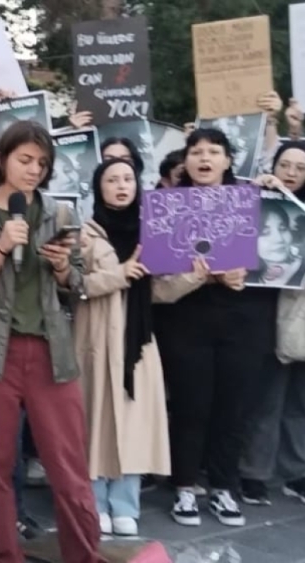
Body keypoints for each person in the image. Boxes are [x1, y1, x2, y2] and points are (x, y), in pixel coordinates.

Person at [0, 120, 105, 563]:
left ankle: (84, 554)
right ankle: (3, 555)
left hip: (51, 353)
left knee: (68, 466)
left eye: (42, 163)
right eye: (25, 160)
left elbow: (75, 283)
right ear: (0, 160)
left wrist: (61, 268)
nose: (34, 170)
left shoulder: (59, 215)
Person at [155, 128, 268, 528]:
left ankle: (224, 488)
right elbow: (157, 281)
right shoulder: (167, 205)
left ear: (228, 160)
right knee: (191, 407)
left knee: (232, 409)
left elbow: (281, 256)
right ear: (184, 161)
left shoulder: (255, 200)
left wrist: (246, 272)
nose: (205, 158)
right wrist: (197, 275)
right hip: (185, 322)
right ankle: (185, 488)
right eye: (196, 151)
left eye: (214, 152)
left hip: (243, 324)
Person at [75, 158, 177, 537]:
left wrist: (198, 275)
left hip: (138, 343)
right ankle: (95, 502)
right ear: (98, 187)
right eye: (112, 179)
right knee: (95, 422)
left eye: (128, 179)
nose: (121, 185)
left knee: (134, 426)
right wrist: (120, 274)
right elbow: (75, 286)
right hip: (96, 342)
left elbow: (160, 291)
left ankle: (125, 505)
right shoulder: (84, 233)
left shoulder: (152, 233)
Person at [243, 140, 305, 505]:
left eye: (301, 167)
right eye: (287, 165)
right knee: (266, 399)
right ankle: (254, 473)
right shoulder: (256, 199)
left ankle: (296, 473)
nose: (292, 173)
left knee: (300, 403)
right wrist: (255, 192)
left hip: (300, 319)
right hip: (263, 315)